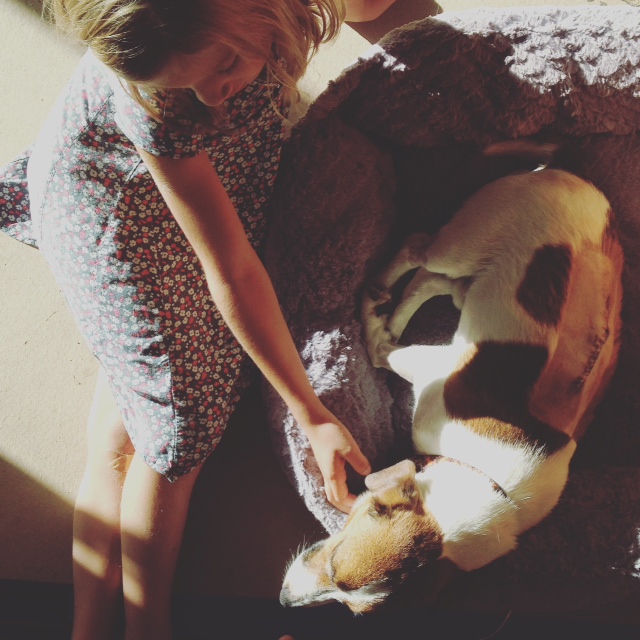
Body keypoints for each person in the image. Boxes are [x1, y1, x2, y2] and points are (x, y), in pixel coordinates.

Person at [0, 0, 397, 638]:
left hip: (201, 182)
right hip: (111, 209)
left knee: (134, 411)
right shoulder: (155, 100)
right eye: (192, 82)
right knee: (180, 432)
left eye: (226, 64)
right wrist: (311, 412)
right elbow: (232, 269)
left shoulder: (231, 29)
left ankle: (91, 628)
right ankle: (142, 627)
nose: (212, 94)